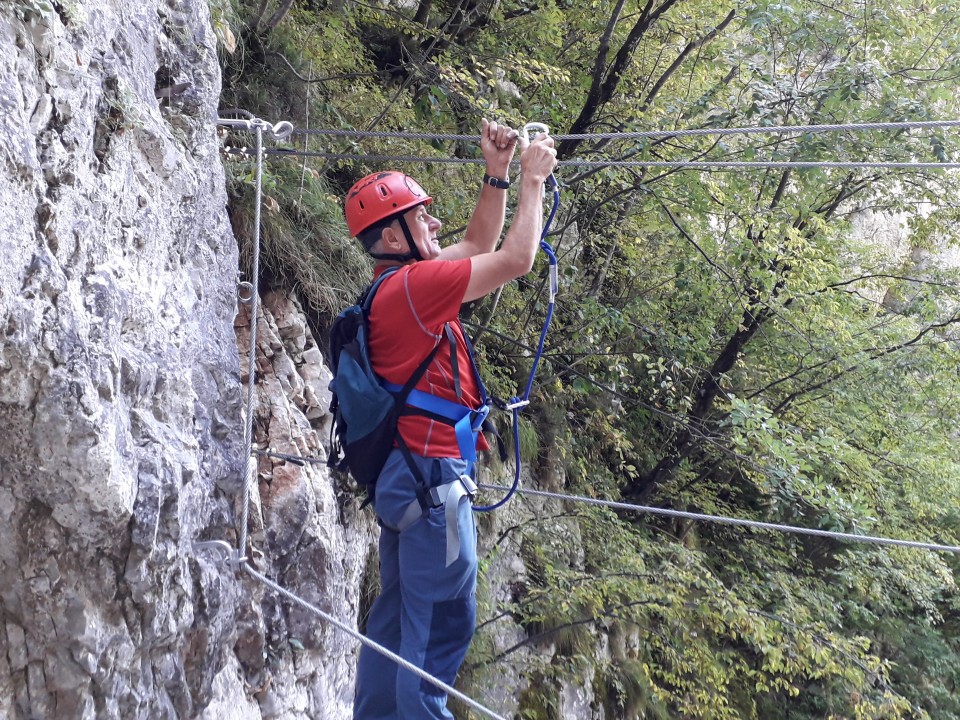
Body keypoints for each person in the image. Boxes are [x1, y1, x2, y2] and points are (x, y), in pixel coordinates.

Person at [345, 119, 557, 720]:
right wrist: (531, 180)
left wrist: (496, 174)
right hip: (433, 487)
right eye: (420, 215)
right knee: (438, 632)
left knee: (396, 629)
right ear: (392, 234)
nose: (434, 222)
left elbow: (476, 245)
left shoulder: (400, 288)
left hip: (409, 481)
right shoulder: (414, 289)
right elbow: (515, 258)